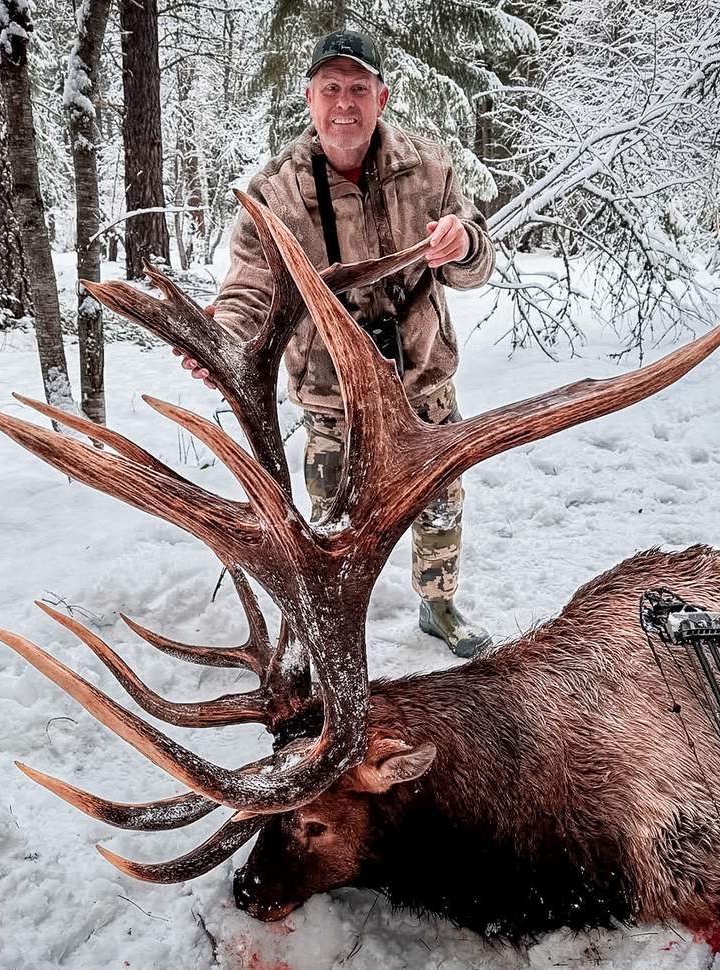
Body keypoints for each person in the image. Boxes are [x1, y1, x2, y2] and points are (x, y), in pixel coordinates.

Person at [178, 30, 495, 657]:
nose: (343, 103)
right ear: (309, 98)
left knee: (440, 503)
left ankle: (437, 603)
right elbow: (248, 289)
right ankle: (327, 624)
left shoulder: (430, 169)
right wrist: (224, 341)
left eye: (357, 88)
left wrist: (464, 245)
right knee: (329, 523)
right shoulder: (274, 191)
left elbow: (473, 266)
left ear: (380, 97)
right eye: (331, 89)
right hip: (331, 395)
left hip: (420, 383)